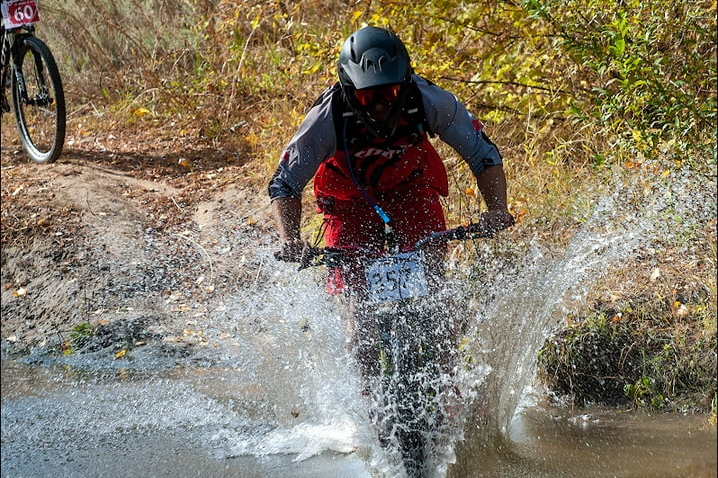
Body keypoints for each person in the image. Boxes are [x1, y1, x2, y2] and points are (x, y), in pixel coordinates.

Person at [268, 26, 514, 386]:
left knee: (435, 298)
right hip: (348, 202)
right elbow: (285, 183)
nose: (382, 105)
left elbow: (484, 155)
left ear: (406, 81)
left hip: (411, 191)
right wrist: (290, 237)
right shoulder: (326, 117)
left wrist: (497, 209)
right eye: (370, 97)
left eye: (390, 92)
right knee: (361, 318)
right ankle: (368, 411)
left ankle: (450, 396)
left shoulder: (429, 99)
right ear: (350, 91)